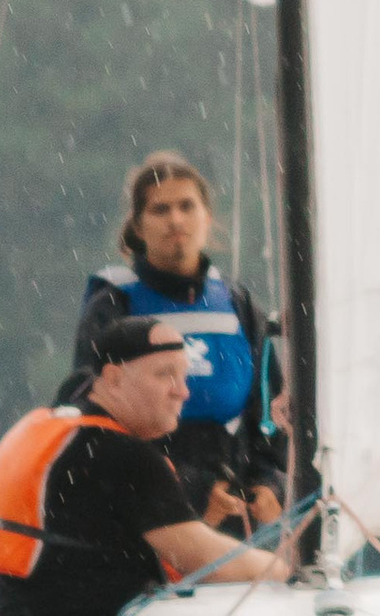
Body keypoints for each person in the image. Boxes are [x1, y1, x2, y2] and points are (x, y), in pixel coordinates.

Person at [0, 319, 288, 616]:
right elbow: (202, 558)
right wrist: (285, 569)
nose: (183, 392)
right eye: (165, 375)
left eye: (184, 376)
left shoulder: (54, 432)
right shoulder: (120, 454)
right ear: (113, 378)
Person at [67, 152, 286, 530]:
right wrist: (190, 488)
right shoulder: (113, 305)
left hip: (237, 511)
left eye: (187, 206)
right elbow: (88, 415)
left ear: (207, 218)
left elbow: (271, 410)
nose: (176, 220)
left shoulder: (238, 304)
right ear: (138, 227)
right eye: (160, 209)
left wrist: (270, 482)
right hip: (145, 511)